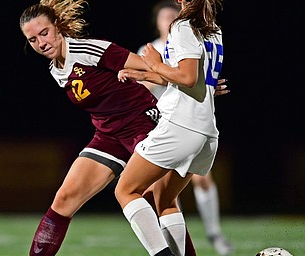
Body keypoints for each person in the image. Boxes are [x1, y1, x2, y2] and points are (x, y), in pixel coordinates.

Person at [19, 0, 199, 255]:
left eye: (44, 33)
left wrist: (199, 86)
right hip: (109, 135)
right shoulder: (55, 69)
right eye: (33, 39)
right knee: (64, 199)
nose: (41, 43)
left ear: (58, 27)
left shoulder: (88, 49)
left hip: (143, 124)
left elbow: (154, 70)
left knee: (158, 198)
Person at [115, 0, 225, 255]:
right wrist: (143, 75)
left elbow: (187, 77)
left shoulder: (183, 25)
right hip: (206, 132)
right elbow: (189, 79)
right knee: (165, 201)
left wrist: (153, 63)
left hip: (181, 125)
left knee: (126, 190)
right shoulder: (212, 28)